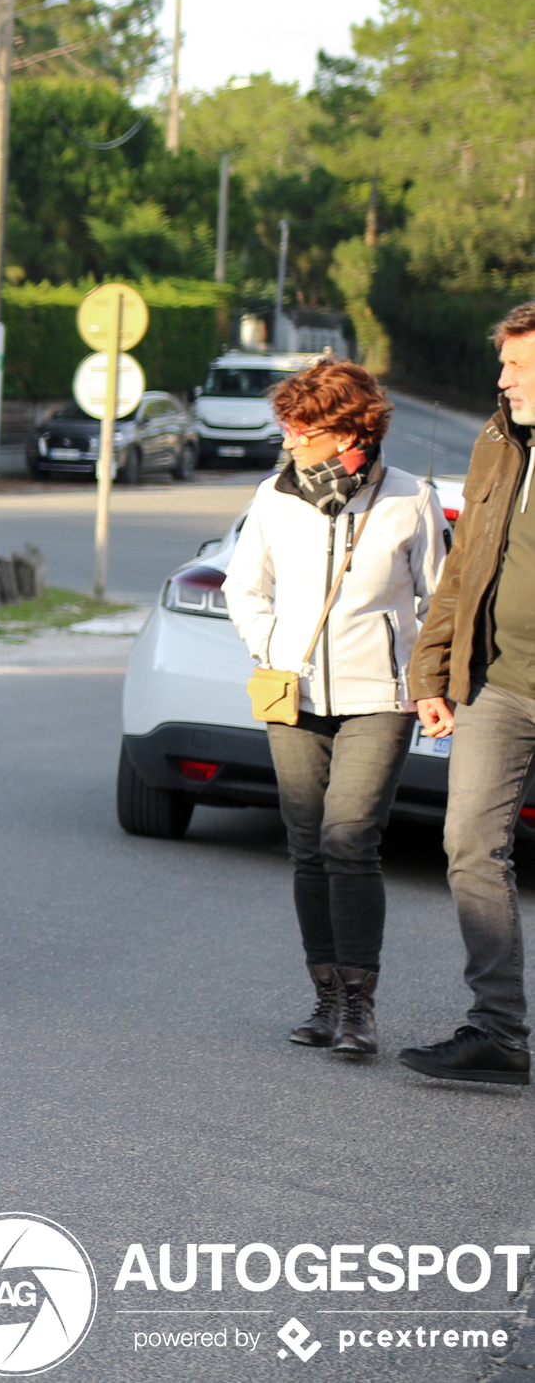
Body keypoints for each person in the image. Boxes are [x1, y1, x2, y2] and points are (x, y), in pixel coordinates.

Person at [225, 360, 445, 1059]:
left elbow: (437, 603)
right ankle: (324, 998)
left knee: (350, 837)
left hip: (380, 696)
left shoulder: (410, 499)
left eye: (303, 427)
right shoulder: (274, 497)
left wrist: (432, 678)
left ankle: (359, 1006)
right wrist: (273, 647)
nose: (288, 439)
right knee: (307, 844)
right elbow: (243, 587)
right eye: (285, 425)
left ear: (352, 429)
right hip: (293, 695)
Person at [403, 301, 535, 1088]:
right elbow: (462, 566)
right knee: (470, 845)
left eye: (518, 365)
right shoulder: (498, 442)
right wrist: (434, 668)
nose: (502, 378)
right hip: (500, 682)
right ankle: (500, 1031)